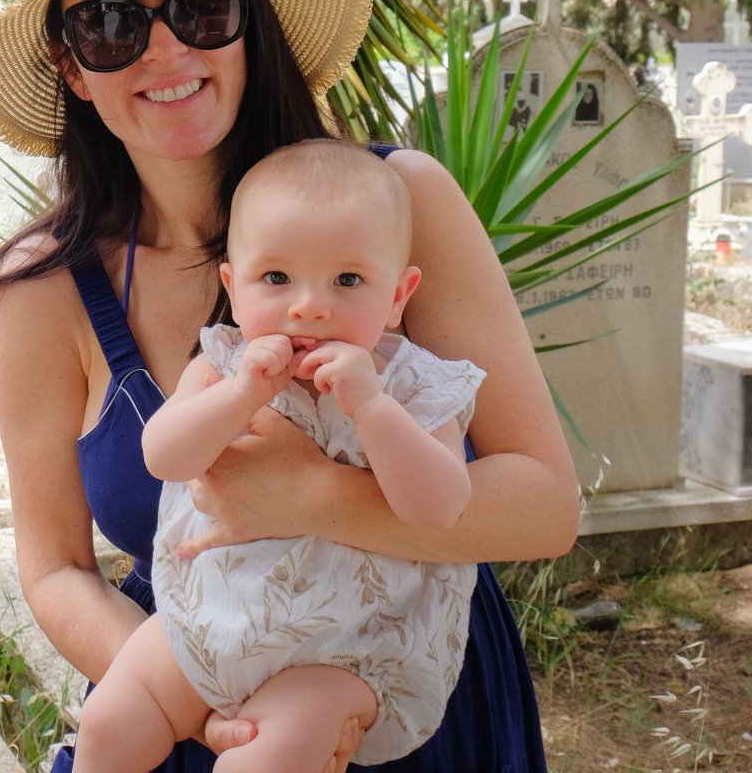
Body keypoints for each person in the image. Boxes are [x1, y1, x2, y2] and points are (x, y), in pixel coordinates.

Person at [0, 0, 577, 772]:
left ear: (248, 20)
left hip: (402, 707)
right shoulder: (49, 290)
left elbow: (545, 507)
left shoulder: (402, 205)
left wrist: (314, 497)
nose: (163, 47)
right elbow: (56, 569)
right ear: (73, 65)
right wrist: (203, 711)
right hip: (189, 708)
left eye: (199, 5)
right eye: (111, 22)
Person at [73, 139, 484, 772]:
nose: (309, 305)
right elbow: (162, 454)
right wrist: (240, 395)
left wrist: (373, 409)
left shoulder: (417, 388)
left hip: (348, 649)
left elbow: (442, 508)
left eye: (348, 280)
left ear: (399, 295)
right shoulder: (222, 364)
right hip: (210, 619)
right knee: (110, 721)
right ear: (233, 287)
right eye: (276, 278)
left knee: (266, 761)